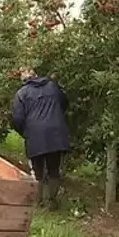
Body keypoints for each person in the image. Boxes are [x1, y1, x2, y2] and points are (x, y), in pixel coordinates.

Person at [11, 68, 70, 211]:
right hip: (56, 133)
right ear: (36, 75)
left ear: (23, 81)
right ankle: (52, 201)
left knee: (38, 171)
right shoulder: (53, 86)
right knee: (54, 169)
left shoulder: (22, 94)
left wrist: (25, 132)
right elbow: (65, 103)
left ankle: (38, 202)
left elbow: (17, 118)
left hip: (35, 134)